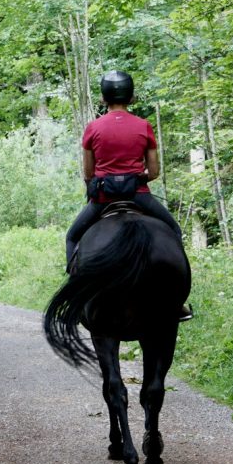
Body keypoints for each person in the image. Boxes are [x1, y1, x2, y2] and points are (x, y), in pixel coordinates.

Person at [65, 70, 192, 321]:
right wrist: (136, 178)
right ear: (131, 97)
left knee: (73, 236)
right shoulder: (143, 126)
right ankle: (177, 302)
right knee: (174, 232)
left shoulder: (93, 128)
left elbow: (88, 173)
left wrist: (104, 181)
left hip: (103, 200)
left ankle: (77, 298)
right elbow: (154, 171)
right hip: (138, 195)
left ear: (104, 98)